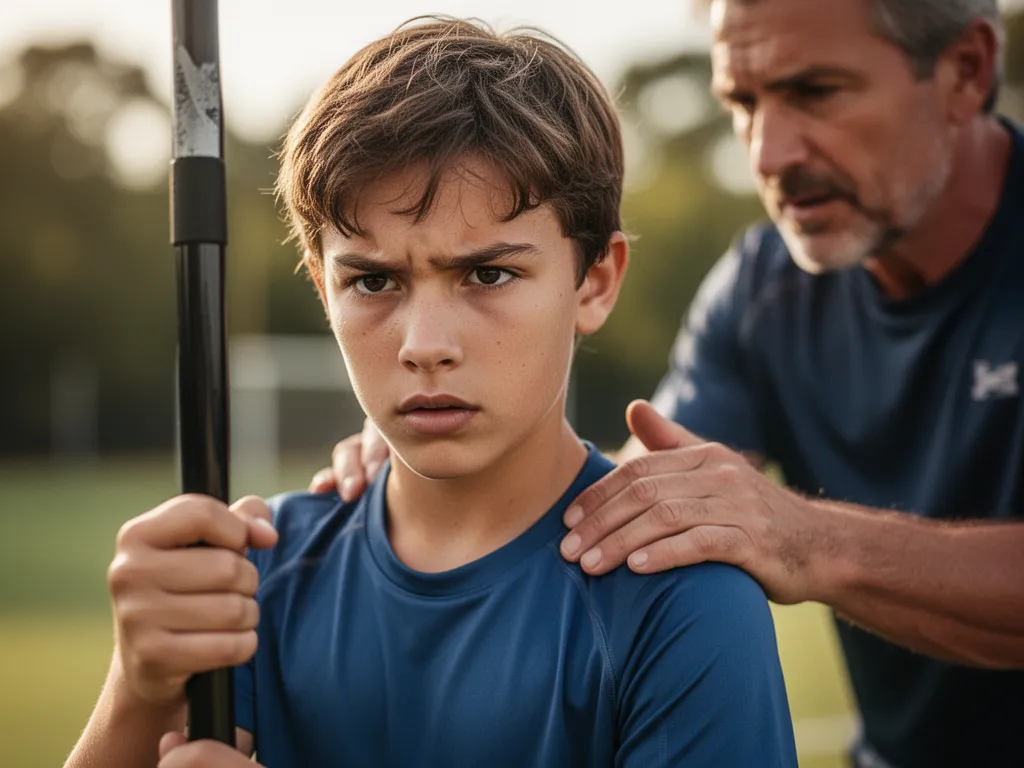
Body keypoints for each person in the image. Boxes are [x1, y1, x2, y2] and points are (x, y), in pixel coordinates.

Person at [65, 17, 798, 768]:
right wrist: (137, 687)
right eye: (373, 281)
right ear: (323, 289)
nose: (424, 345)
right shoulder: (253, 580)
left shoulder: (679, 601)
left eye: (487, 274)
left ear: (595, 281)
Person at [316, 1, 1024, 767]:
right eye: (743, 103)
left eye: (816, 91)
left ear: (966, 71)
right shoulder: (763, 294)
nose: (771, 152)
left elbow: (773, 532)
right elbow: (629, 508)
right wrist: (442, 465)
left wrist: (808, 539)